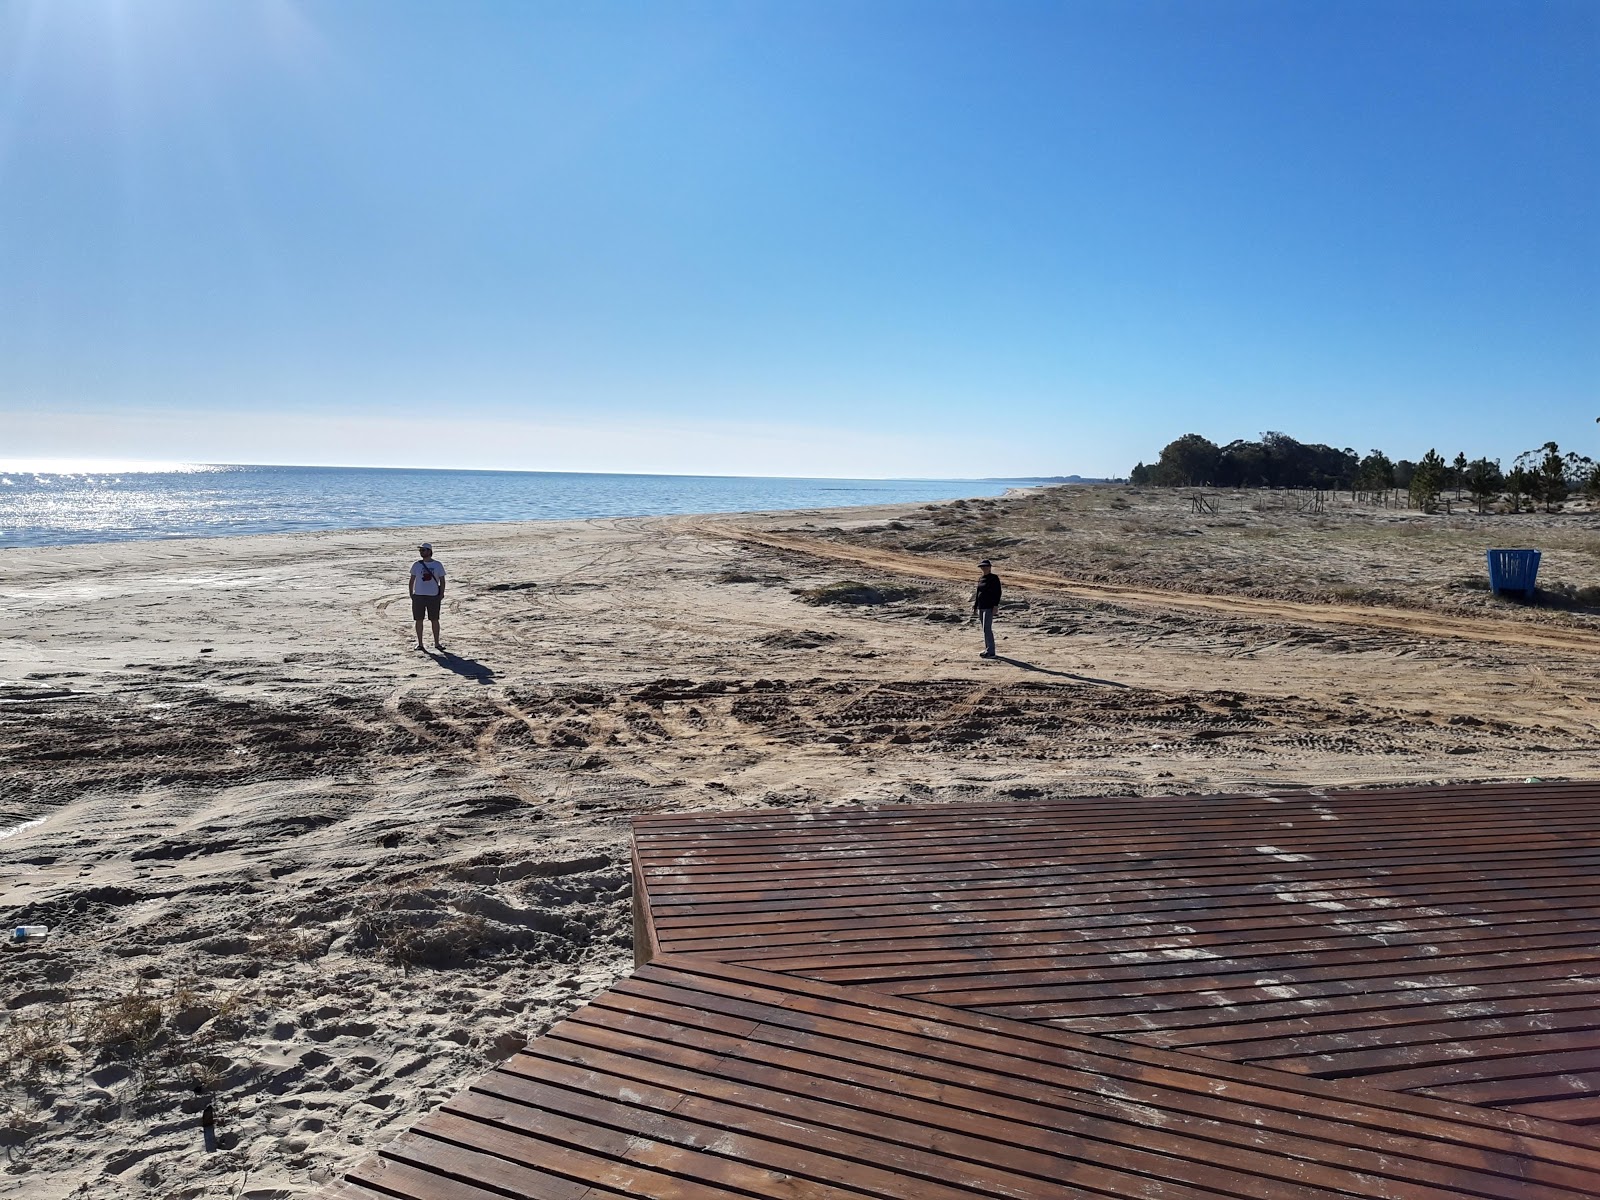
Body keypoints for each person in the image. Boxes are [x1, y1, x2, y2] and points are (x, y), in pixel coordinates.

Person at [409, 542, 446, 650]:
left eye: (423, 550)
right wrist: (411, 593)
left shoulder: (437, 565)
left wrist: (441, 593)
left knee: (434, 619)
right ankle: (420, 644)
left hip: (433, 596)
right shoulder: (417, 565)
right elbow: (412, 580)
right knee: (418, 620)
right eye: (420, 550)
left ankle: (437, 643)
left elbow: (442, 580)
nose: (421, 552)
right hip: (419, 596)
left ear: (429, 551)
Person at [972, 558, 1002, 658]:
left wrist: (995, 606)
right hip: (981, 606)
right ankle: (987, 649)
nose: (984, 568)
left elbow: (998, 592)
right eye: (982, 567)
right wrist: (975, 606)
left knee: (987, 628)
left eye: (985, 566)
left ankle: (991, 651)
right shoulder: (981, 578)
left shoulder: (994, 578)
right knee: (985, 629)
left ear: (990, 567)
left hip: (989, 606)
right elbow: (978, 593)